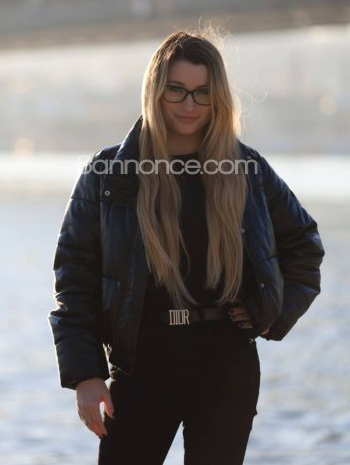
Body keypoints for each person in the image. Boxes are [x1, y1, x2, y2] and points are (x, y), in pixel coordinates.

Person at [49, 30, 325, 465]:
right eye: (176, 90)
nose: (189, 104)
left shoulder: (246, 169)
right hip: (142, 365)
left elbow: (304, 246)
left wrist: (270, 313)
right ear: (155, 90)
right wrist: (85, 374)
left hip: (226, 364)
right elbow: (74, 275)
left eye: (202, 92)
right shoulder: (108, 173)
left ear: (218, 97)